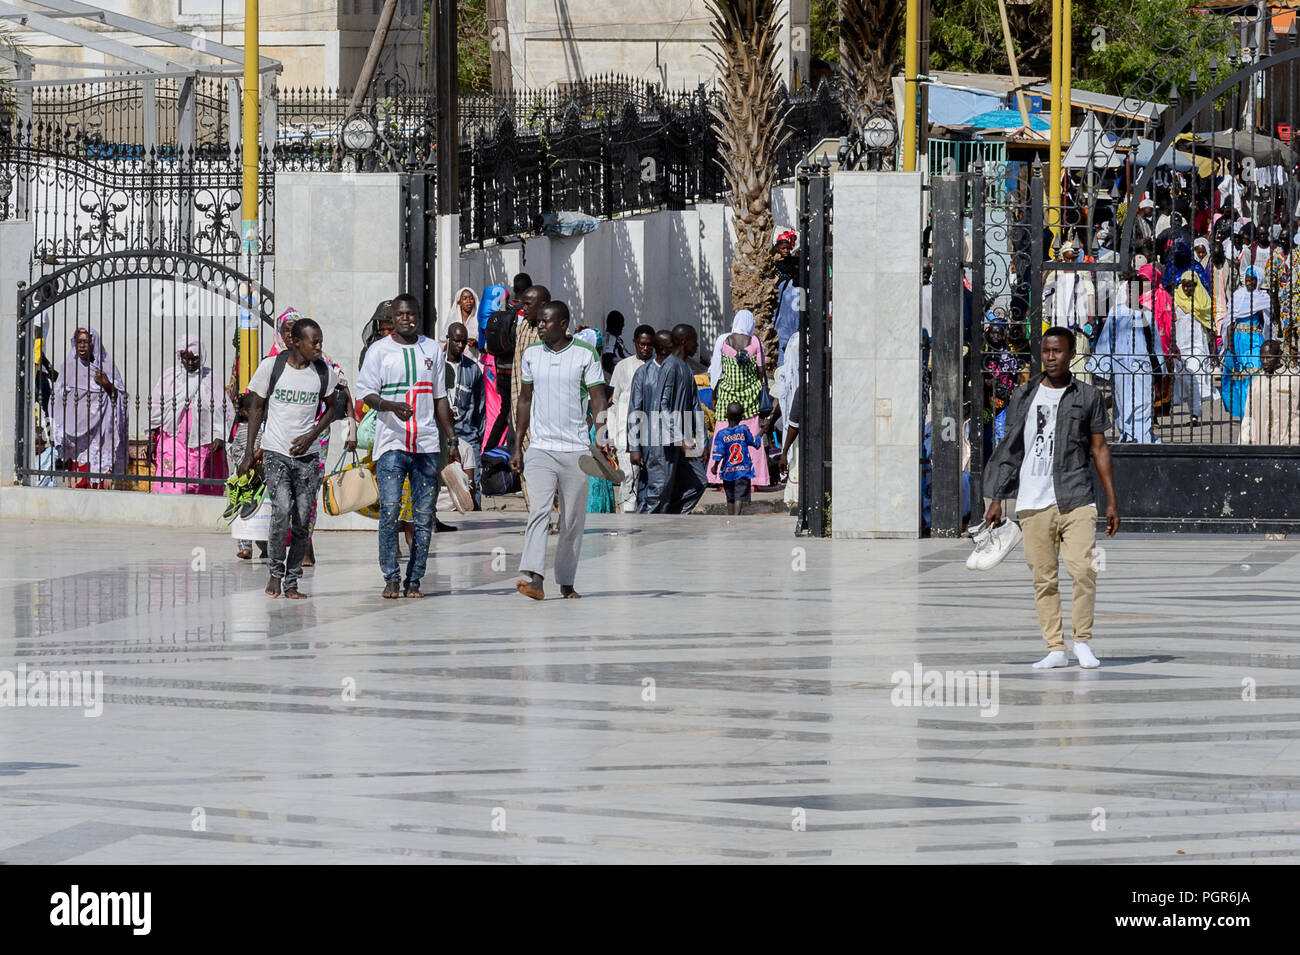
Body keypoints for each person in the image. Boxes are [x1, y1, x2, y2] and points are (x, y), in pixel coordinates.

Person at [983, 326, 1120, 669]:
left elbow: (1100, 448)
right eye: (1046, 351)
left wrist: (1111, 500)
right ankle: (1055, 648)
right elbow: (1010, 449)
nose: (1050, 357)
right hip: (1032, 502)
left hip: (1076, 497)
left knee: (1083, 569)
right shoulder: (1025, 395)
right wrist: (997, 497)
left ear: (1071, 354)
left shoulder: (1087, 396)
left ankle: (1083, 642)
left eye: (1057, 351)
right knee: (1043, 578)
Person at [355, 293, 459, 599]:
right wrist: (389, 406)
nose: (406, 319)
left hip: (426, 446)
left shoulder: (432, 350)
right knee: (389, 512)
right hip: (391, 445)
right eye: (400, 314)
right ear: (393, 318)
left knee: (423, 515)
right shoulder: (379, 351)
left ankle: (415, 579)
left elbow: (440, 398)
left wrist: (451, 439)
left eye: (411, 314)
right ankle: (390, 576)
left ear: (418, 316)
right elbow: (366, 393)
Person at [512, 300, 611, 600]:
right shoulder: (531, 355)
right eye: (538, 321)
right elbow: (524, 399)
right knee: (539, 511)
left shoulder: (585, 354)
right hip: (541, 448)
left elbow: (598, 399)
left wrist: (603, 438)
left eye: (546, 321)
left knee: (571, 520)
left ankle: (566, 580)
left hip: (576, 450)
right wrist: (517, 445)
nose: (539, 325)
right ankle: (534, 577)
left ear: (563, 323)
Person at [239, 318, 340, 599]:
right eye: (314, 342)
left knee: (303, 518)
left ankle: (292, 581)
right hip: (275, 452)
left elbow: (333, 408)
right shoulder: (272, 367)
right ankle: (275, 573)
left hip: (307, 457)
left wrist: (312, 436)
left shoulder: (323, 371)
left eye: (321, 341)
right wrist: (250, 452)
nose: (319, 347)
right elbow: (257, 406)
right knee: (281, 509)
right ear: (296, 342)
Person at [637, 325, 707, 513]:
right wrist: (677, 438)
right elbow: (661, 406)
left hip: (681, 443)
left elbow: (695, 406)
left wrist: (702, 442)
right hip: (664, 442)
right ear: (684, 342)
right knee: (657, 492)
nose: (697, 345)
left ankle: (671, 517)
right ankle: (640, 530)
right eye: (695, 340)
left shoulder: (686, 368)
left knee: (699, 481)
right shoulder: (669, 366)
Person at [149, 335, 232, 494]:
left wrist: (220, 434)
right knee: (174, 483)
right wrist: (152, 436)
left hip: (201, 441)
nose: (191, 363)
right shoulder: (170, 377)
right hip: (173, 439)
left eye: (195, 359)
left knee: (198, 482)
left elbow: (223, 408)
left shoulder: (209, 378)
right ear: (180, 357)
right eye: (187, 359)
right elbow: (156, 405)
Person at [51, 327, 128, 489]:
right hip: (78, 438)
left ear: (94, 343)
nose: (82, 346)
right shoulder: (68, 368)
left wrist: (106, 384)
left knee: (100, 486)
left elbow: (121, 400)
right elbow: (57, 398)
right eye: (79, 342)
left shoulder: (107, 367)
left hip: (101, 435)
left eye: (86, 342)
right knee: (79, 487)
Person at [1094, 273, 1165, 443]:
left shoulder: (1147, 314)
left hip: (1143, 367)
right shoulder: (1116, 312)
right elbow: (1106, 340)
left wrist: (1159, 369)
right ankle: (1128, 434)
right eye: (1129, 290)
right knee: (1122, 402)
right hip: (1121, 366)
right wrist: (1103, 368)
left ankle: (1143, 437)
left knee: (1144, 402)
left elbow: (1154, 344)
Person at [706, 311, 771, 488]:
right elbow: (760, 371)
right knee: (750, 438)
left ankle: (721, 480)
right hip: (750, 398)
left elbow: (716, 371)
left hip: (727, 399)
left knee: (723, 435)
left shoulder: (722, 340)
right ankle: (752, 481)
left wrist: (714, 395)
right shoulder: (756, 342)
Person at [509, 286, 550, 505]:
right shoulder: (522, 327)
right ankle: (536, 516)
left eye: (527, 305)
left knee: (545, 466)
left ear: (542, 306)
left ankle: (555, 517)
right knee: (523, 462)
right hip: (520, 408)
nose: (523, 309)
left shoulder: (556, 336)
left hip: (543, 414)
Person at [607, 324, 654, 512]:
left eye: (649, 345)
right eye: (642, 344)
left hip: (652, 436)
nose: (645, 348)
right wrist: (610, 436)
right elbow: (613, 403)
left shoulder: (659, 367)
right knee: (629, 479)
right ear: (634, 343)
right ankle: (626, 523)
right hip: (625, 435)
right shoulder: (623, 367)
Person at [444, 322, 486, 508]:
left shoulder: (473, 369)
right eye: (457, 341)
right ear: (448, 340)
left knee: (473, 484)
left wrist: (478, 436)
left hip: (468, 433)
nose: (461, 346)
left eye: (464, 342)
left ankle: (475, 518)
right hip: (443, 434)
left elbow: (480, 406)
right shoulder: (437, 366)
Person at [1221, 269, 1271, 419]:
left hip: (1255, 340)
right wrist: (1230, 345)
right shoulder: (1238, 295)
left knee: (1254, 372)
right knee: (1241, 376)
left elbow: (1266, 324)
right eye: (1247, 279)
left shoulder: (1263, 298)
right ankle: (1244, 412)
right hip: (1238, 340)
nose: (1249, 282)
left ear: (1259, 281)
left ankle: (1255, 410)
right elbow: (1229, 321)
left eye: (1253, 279)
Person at [1172, 270, 1215, 426]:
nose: (1187, 290)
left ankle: (1195, 414)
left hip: (1197, 346)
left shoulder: (1203, 301)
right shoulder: (1175, 299)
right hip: (1179, 346)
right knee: (1184, 379)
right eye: (1184, 286)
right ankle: (1193, 410)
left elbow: (1211, 326)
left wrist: (1214, 351)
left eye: (1190, 286)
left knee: (1194, 379)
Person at [228, 393, 267, 561]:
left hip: (262, 480)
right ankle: (245, 547)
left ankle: (266, 547)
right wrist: (242, 461)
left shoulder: (266, 428)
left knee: (263, 513)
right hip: (244, 481)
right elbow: (234, 450)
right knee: (242, 510)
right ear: (244, 413)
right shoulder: (241, 431)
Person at [1241, 340, 1300, 444]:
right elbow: (1248, 415)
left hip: (1288, 441)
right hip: (1262, 441)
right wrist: (1245, 443)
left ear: (1279, 356)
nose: (1264, 361)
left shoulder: (1293, 379)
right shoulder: (1256, 382)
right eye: (1262, 357)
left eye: (1268, 357)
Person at [713, 401, 763, 515]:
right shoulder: (743, 430)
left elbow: (718, 453)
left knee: (730, 496)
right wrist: (763, 430)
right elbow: (754, 442)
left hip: (728, 471)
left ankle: (731, 518)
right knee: (739, 496)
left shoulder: (721, 434)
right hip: (742, 470)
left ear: (726, 415)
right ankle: (737, 516)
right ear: (742, 417)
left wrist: (714, 466)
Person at [446, 287, 481, 360]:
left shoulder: (479, 320)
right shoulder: (453, 319)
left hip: (474, 361)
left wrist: (477, 344)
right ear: (459, 302)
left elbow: (488, 345)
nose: (469, 301)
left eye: (471, 298)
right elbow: (443, 343)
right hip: (455, 361)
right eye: (465, 298)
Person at [601, 310, 628, 377]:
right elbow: (607, 361)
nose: (623, 326)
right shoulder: (610, 339)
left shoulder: (617, 339)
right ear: (614, 324)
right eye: (621, 324)